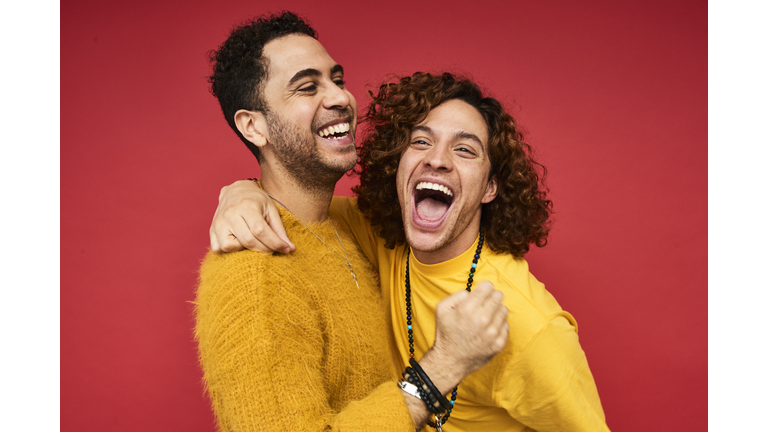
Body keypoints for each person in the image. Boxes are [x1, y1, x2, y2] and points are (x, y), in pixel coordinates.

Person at [211, 72, 611, 431]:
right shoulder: (378, 236)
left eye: (465, 150)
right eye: (421, 141)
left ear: (490, 188)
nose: (437, 159)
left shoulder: (530, 326)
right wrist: (242, 192)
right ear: (398, 164)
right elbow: (295, 205)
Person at [194, 12, 511, 432]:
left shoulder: (346, 228)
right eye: (308, 87)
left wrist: (241, 188)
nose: (340, 98)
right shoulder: (254, 277)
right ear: (254, 126)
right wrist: (441, 369)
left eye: (336, 80)